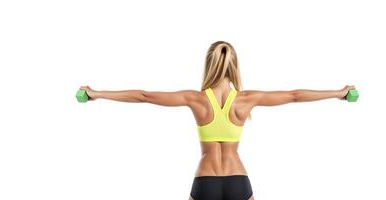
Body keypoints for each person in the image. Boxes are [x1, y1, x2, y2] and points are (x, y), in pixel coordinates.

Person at [78, 41, 356, 200]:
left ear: (209, 65)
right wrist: (339, 93)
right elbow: (295, 95)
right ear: (234, 65)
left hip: (205, 181)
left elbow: (144, 96)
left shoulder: (195, 99)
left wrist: (96, 94)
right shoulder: (246, 100)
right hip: (238, 180)